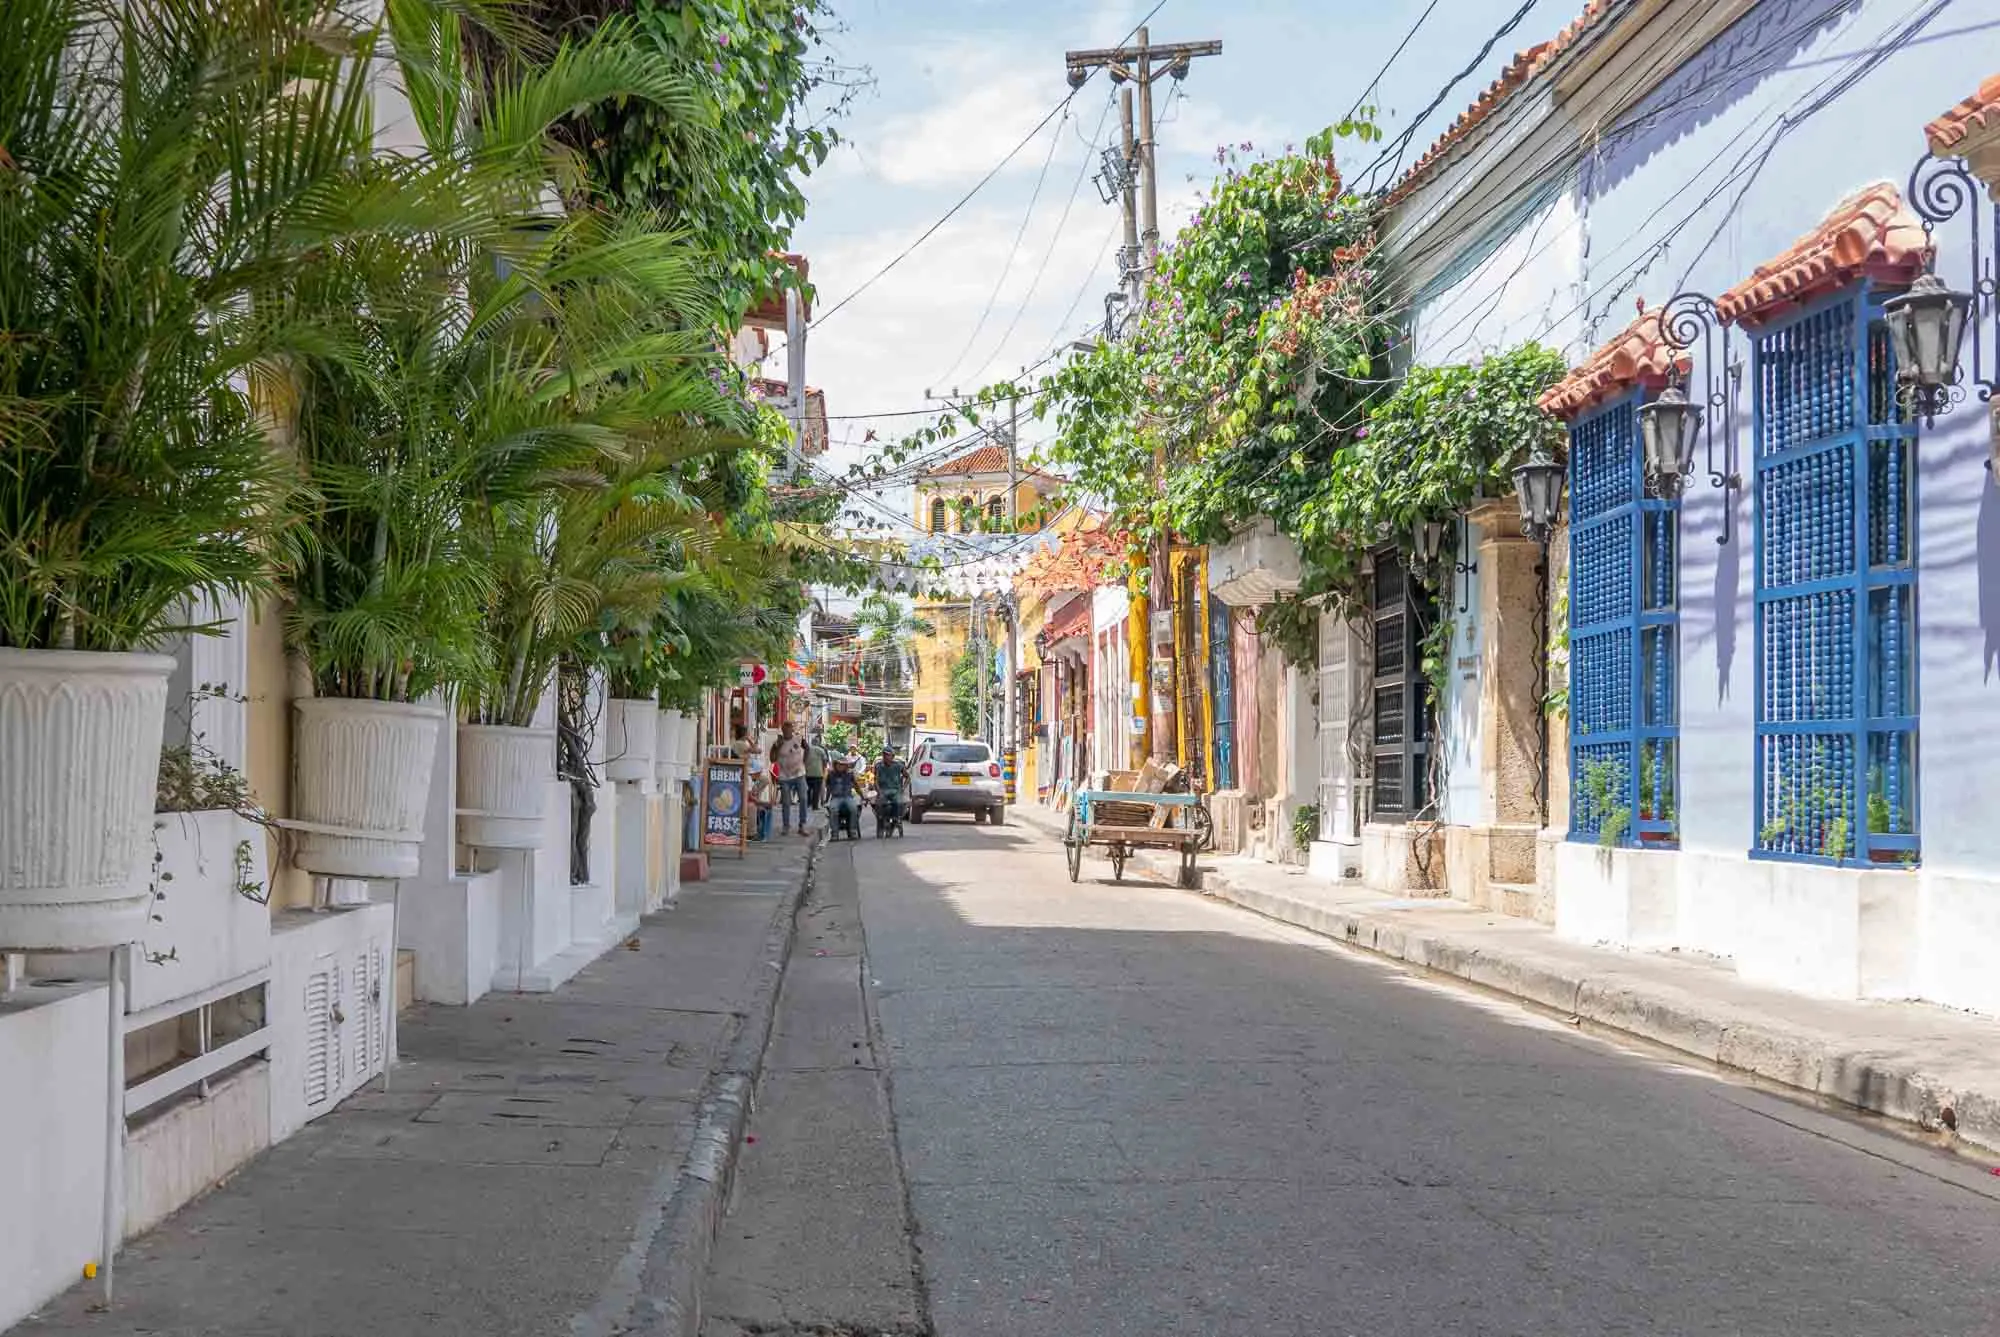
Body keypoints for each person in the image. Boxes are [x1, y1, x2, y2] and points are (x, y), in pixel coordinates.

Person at [774, 724, 807, 836]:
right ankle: (786, 826)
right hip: (784, 776)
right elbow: (772, 758)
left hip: (799, 774)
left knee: (803, 798)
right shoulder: (778, 742)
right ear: (782, 730)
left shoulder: (798, 739)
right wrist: (778, 746)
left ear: (792, 730)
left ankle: (802, 825)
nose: (788, 731)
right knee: (786, 802)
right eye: (785, 730)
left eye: (790, 729)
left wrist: (804, 762)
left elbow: (807, 748)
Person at [823, 757, 860, 839]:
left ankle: (853, 831)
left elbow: (856, 786)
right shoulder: (831, 774)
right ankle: (834, 833)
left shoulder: (850, 774)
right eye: (839, 765)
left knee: (854, 808)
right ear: (835, 765)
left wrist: (863, 796)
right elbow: (828, 788)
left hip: (848, 797)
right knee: (833, 809)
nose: (841, 766)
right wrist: (826, 800)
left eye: (843, 765)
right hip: (836, 797)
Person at [874, 745, 910, 821]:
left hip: (895, 790)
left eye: (887, 755)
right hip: (883, 790)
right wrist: (879, 791)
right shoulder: (878, 766)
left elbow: (908, 777)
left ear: (892, 756)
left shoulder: (898, 766)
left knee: (898, 802)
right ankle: (881, 819)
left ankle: (895, 818)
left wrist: (903, 788)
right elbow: (876, 781)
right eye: (884, 754)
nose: (885, 756)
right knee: (879, 804)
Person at [803, 733, 827, 810]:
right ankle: (815, 806)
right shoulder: (821, 750)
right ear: (818, 743)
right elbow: (824, 761)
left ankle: (807, 804)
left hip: (808, 773)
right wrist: (823, 770)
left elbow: (803, 760)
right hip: (818, 773)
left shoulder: (807, 749)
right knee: (816, 791)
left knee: (808, 790)